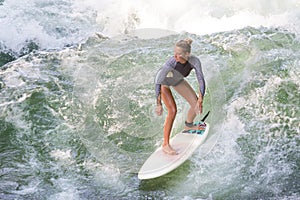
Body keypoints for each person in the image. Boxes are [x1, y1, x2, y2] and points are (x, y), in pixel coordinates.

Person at [154, 38, 206, 155]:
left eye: (179, 54)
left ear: (187, 54)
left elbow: (200, 79)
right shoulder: (171, 63)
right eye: (175, 53)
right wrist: (158, 103)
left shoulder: (194, 61)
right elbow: (158, 81)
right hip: (165, 84)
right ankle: (165, 144)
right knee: (172, 110)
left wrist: (201, 99)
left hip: (178, 81)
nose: (175, 56)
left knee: (195, 104)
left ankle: (188, 125)